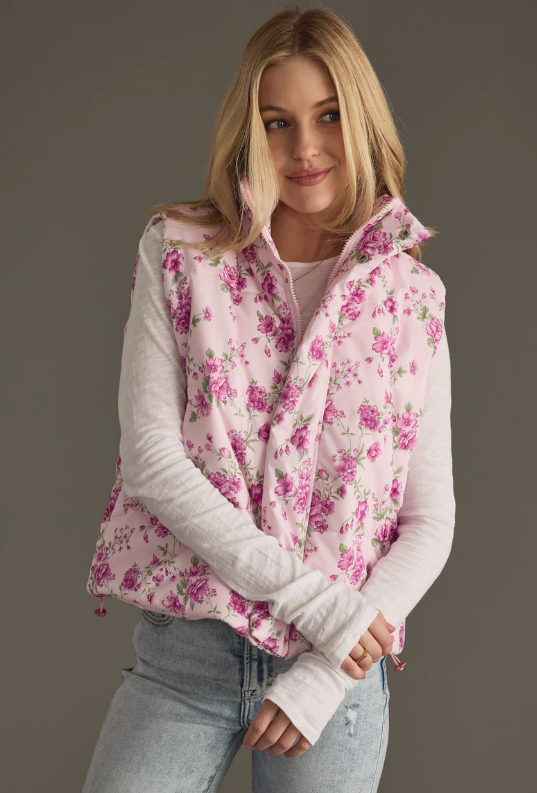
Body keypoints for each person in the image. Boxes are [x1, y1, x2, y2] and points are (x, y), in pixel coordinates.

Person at [83, 6, 455, 792]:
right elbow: (151, 460)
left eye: (328, 115)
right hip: (187, 660)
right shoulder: (180, 253)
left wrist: (323, 671)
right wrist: (320, 607)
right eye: (277, 122)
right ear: (248, 131)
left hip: (332, 676)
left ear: (362, 118)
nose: (305, 148)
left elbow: (428, 518)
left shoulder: (411, 296)